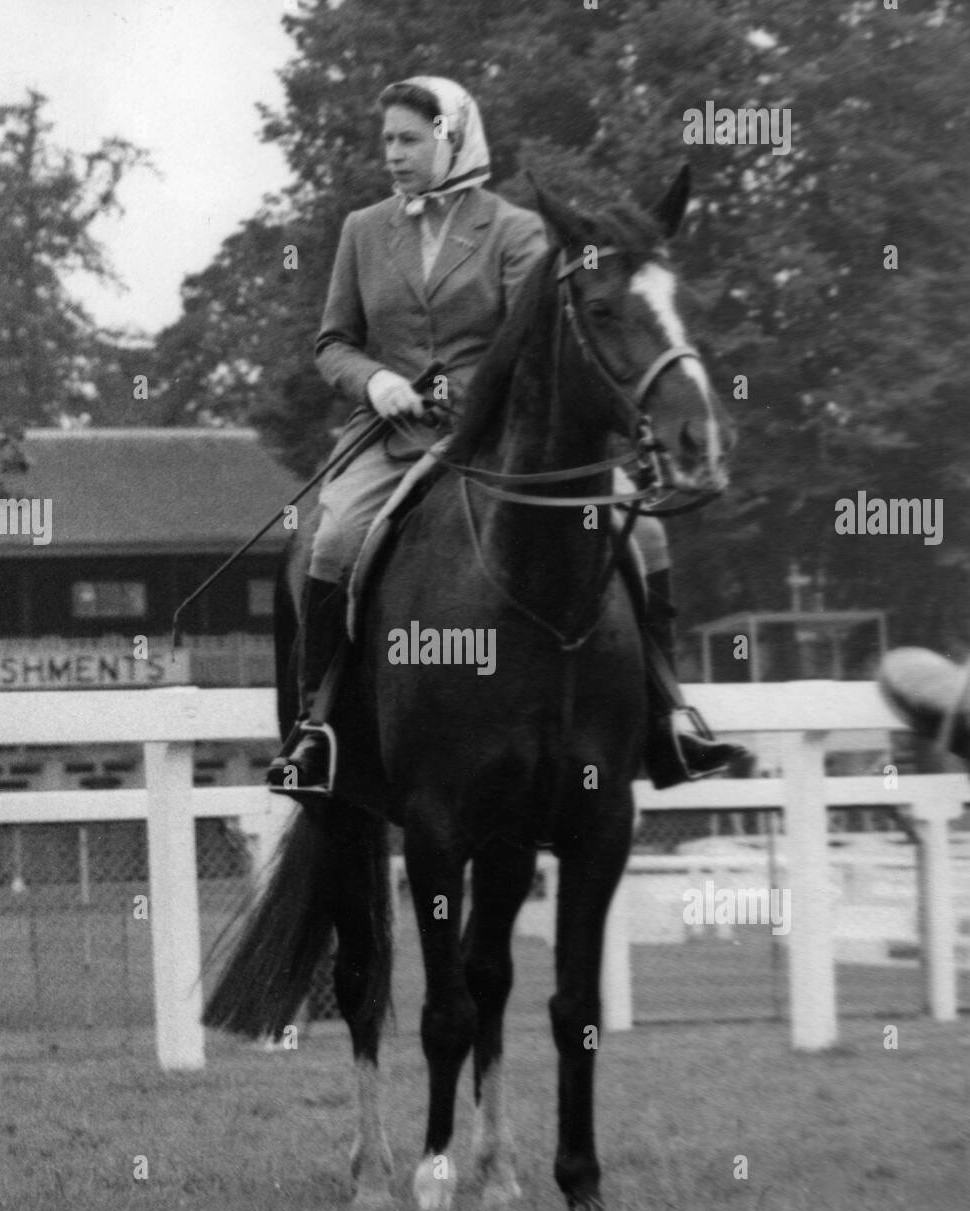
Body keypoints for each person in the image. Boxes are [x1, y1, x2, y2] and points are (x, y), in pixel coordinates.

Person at [267, 74, 742, 793]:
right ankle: (318, 727)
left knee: (646, 536)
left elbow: (532, 340)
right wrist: (379, 383)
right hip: (389, 437)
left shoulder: (516, 229)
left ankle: (668, 714)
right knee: (332, 539)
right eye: (387, 141)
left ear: (451, 138)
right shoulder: (363, 230)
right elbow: (333, 341)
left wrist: (459, 392)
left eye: (408, 139)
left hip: (495, 440)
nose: (392, 154)